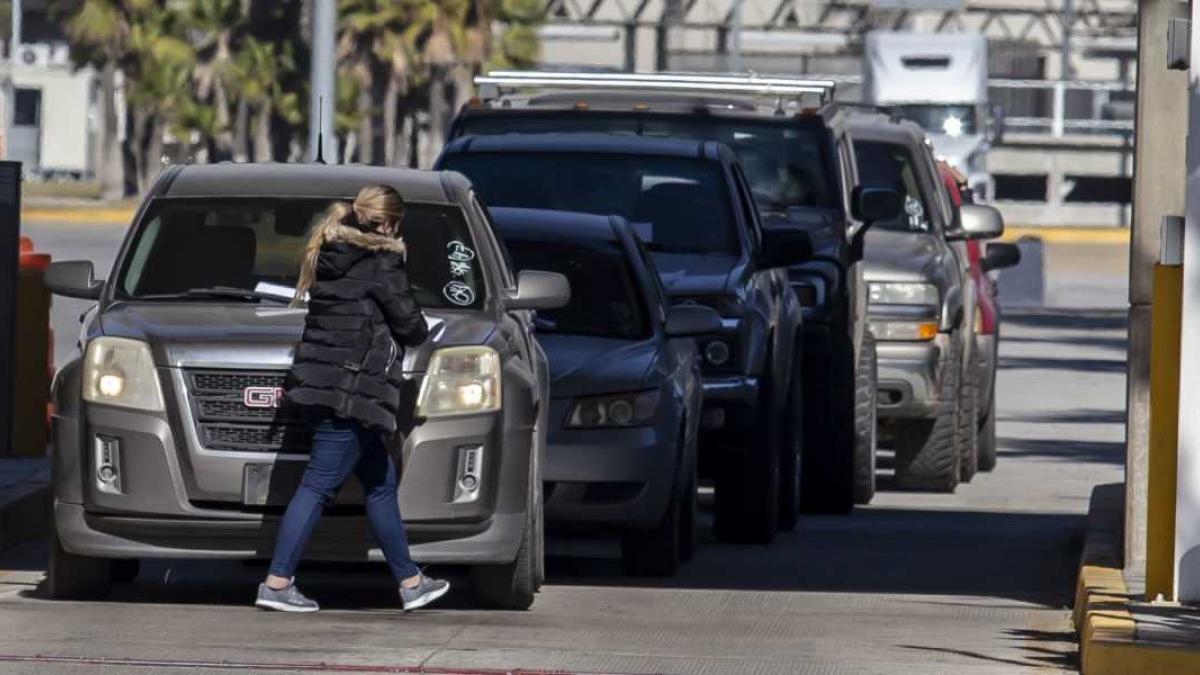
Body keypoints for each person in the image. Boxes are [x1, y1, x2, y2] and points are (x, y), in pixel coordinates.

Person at [255, 185, 449, 613]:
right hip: (351, 392)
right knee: (318, 486)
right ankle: (276, 582)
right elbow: (411, 326)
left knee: (379, 486)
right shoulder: (382, 262)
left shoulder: (331, 254)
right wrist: (421, 328)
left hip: (324, 383)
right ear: (390, 222)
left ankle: (411, 582)